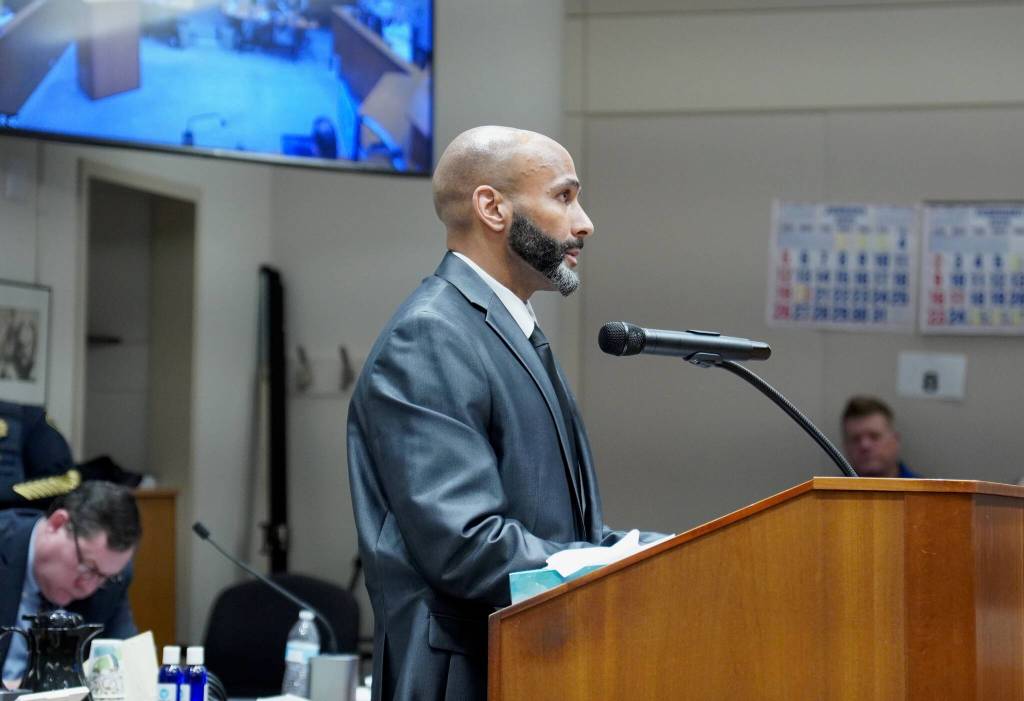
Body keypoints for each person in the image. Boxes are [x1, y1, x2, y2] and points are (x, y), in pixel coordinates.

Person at [347, 125, 659, 701]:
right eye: (564, 197)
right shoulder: (432, 335)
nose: (584, 223)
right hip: (465, 677)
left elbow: (561, 535)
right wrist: (622, 567)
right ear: (492, 207)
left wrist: (660, 556)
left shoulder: (505, 329)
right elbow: (466, 545)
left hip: (525, 664)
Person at [0, 480, 141, 684]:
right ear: (57, 524)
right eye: (87, 568)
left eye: (105, 577)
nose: (89, 586)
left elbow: (126, 670)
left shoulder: (112, 577)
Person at [841, 395, 919, 478]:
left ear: (895, 441)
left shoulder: (924, 490)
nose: (865, 445)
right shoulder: (835, 490)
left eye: (874, 437)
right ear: (845, 446)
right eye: (855, 439)